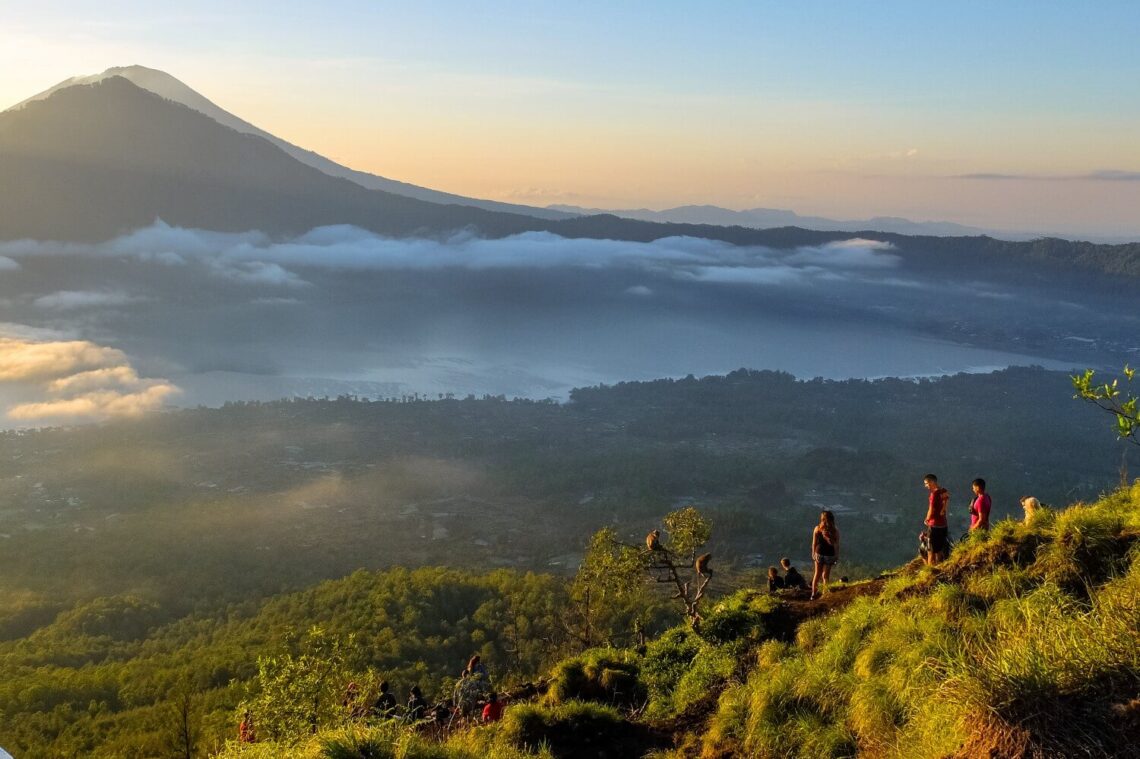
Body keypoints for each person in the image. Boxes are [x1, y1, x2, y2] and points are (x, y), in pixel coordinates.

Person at [810, 510, 839, 600]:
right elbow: (836, 544)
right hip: (829, 554)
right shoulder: (835, 530)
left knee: (817, 574)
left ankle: (813, 593)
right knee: (825, 576)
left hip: (819, 552)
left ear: (822, 519)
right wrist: (836, 555)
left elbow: (814, 543)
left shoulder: (817, 528)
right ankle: (824, 593)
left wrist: (813, 553)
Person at [923, 474, 950, 565]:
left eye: (927, 483)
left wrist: (927, 519)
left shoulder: (934, 494)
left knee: (931, 550)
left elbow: (932, 509)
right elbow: (946, 505)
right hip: (943, 524)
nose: (926, 486)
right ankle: (940, 567)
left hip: (934, 525)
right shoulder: (944, 491)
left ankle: (930, 571)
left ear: (932, 482)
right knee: (939, 550)